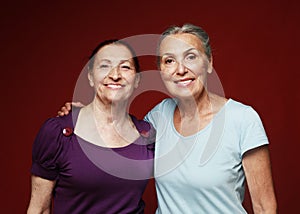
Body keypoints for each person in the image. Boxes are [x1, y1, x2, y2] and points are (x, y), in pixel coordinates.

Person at [58, 24, 277, 213]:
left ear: (209, 63)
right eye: (169, 61)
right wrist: (83, 112)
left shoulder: (242, 119)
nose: (181, 69)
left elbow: (265, 208)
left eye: (191, 57)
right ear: (161, 70)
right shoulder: (156, 118)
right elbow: (115, 131)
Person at [27, 39, 155, 214]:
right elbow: (39, 209)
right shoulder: (59, 133)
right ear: (90, 76)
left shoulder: (148, 136)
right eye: (104, 66)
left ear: (137, 79)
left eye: (125, 67)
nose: (115, 74)